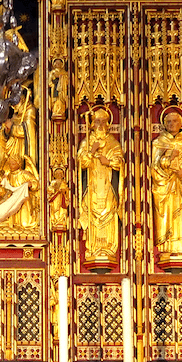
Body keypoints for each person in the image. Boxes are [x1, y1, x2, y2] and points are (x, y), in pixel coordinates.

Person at [77, 107, 124, 266]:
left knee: (108, 212)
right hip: (92, 186)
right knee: (92, 213)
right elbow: (82, 163)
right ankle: (94, 248)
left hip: (108, 185)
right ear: (91, 124)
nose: (100, 125)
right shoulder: (87, 142)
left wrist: (108, 162)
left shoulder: (113, 143)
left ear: (109, 124)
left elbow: (120, 162)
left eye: (104, 121)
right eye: (97, 121)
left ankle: (108, 248)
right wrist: (92, 150)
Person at [150, 106, 182, 267]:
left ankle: (180, 247)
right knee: (167, 212)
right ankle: (167, 247)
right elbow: (154, 166)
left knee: (181, 215)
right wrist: (169, 157)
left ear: (181, 123)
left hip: (180, 185)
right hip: (165, 186)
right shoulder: (159, 142)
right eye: (168, 121)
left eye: (175, 121)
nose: (172, 124)